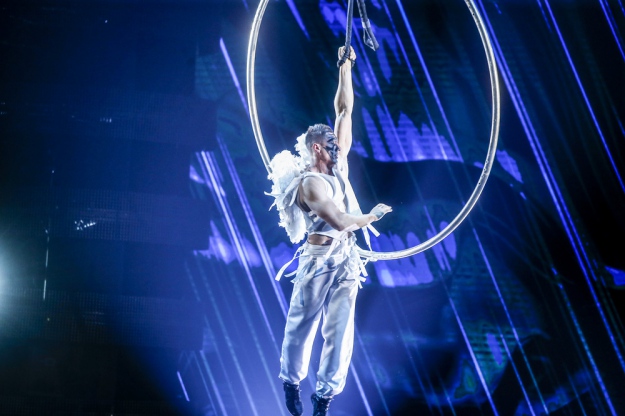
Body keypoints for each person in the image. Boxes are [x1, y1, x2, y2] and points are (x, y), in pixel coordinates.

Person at [272, 46, 392, 416]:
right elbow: (340, 220)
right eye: (331, 146)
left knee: (340, 330)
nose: (338, 149)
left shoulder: (337, 166)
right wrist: (371, 216)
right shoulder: (310, 183)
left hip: (346, 258)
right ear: (316, 149)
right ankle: (291, 381)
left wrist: (346, 67)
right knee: (302, 324)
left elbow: (344, 110)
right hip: (319, 257)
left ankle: (324, 396)